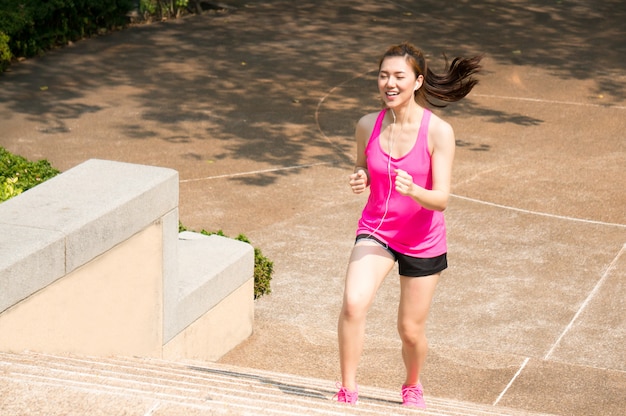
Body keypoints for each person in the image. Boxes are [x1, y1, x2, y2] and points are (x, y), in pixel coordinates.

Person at [335, 42, 482, 408]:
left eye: (399, 76)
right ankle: (348, 388)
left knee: (410, 331)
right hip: (377, 230)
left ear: (417, 81)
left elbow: (442, 199)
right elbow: (362, 164)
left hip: (422, 240)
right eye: (383, 75)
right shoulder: (367, 124)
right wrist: (360, 177)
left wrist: (415, 189)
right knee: (354, 304)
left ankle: (412, 384)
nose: (389, 83)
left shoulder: (439, 132)